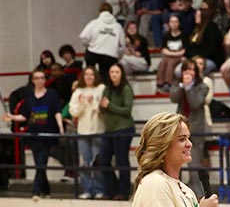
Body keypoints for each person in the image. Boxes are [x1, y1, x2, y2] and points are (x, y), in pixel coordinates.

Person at [2, 70, 63, 200]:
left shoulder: (52, 94)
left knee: (41, 163)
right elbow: (24, 116)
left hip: (48, 134)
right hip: (34, 135)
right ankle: (45, 190)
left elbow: (57, 112)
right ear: (33, 80)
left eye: (42, 78)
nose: (40, 80)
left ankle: (35, 190)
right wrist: (12, 116)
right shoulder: (29, 97)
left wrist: (61, 128)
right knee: (39, 165)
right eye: (37, 78)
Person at [170, 59, 210, 195]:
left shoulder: (203, 87)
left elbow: (194, 103)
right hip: (179, 129)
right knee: (176, 162)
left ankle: (199, 196)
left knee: (195, 164)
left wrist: (188, 88)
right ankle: (176, 192)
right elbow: (173, 98)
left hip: (196, 130)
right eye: (186, 70)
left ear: (196, 72)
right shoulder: (178, 84)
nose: (188, 73)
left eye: (191, 70)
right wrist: (182, 86)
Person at [98, 63, 136, 200]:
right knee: (103, 160)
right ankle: (111, 190)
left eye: (116, 72)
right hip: (109, 129)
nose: (113, 74)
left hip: (124, 128)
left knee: (121, 160)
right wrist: (103, 107)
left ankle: (124, 192)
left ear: (121, 74)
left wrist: (109, 106)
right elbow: (102, 107)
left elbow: (127, 110)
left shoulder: (126, 89)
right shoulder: (107, 89)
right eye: (111, 72)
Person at [68, 66, 106, 200]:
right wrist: (83, 103)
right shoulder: (78, 91)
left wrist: (93, 103)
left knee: (97, 162)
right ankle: (87, 189)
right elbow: (73, 111)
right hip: (83, 132)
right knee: (85, 162)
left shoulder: (101, 89)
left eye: (91, 75)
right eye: (86, 75)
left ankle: (100, 189)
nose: (89, 77)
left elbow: (103, 108)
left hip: (98, 130)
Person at [80, 3, 127, 79]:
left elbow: (83, 37)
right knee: (106, 78)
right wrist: (118, 56)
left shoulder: (94, 23)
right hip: (110, 56)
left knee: (91, 74)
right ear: (111, 12)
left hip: (93, 53)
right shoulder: (118, 27)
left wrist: (88, 45)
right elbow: (122, 46)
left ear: (100, 12)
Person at [156, 15, 188, 94]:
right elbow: (163, 49)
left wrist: (173, 53)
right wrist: (173, 53)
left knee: (171, 62)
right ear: (169, 24)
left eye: (176, 22)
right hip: (170, 56)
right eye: (172, 22)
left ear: (179, 23)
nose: (174, 24)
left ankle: (168, 83)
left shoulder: (184, 35)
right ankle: (159, 84)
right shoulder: (166, 35)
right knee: (163, 62)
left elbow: (184, 50)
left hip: (180, 58)